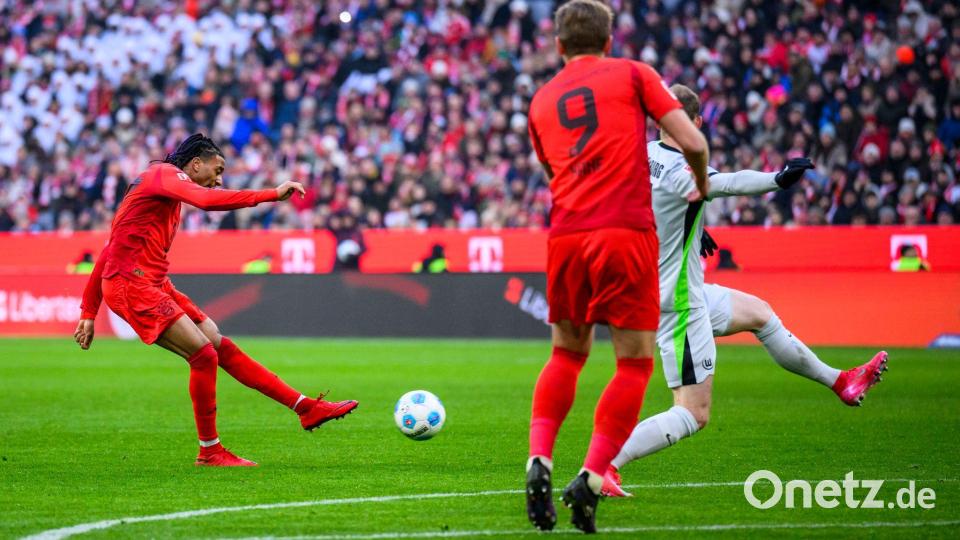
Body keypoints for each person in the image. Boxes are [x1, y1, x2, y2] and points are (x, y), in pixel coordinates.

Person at [602, 85, 888, 497]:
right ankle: (605, 465)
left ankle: (841, 381)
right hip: (677, 301)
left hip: (669, 286)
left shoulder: (639, 155)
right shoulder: (686, 170)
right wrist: (778, 178)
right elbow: (731, 183)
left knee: (760, 313)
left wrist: (689, 229)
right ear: (697, 124)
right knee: (693, 413)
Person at [524, 1, 709, 533]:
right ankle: (591, 474)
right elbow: (692, 140)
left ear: (559, 45)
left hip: (566, 236)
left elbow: (550, 169)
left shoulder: (541, 99)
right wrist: (699, 181)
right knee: (632, 365)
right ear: (608, 40)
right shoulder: (632, 73)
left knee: (565, 354)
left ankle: (538, 459)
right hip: (624, 232)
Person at [74, 134, 359, 467]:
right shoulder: (163, 174)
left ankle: (305, 408)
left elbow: (110, 249)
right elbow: (207, 202)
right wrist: (271, 194)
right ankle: (210, 451)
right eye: (217, 169)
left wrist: (89, 311)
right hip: (131, 284)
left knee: (217, 343)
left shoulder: (160, 192)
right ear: (195, 163)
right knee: (203, 355)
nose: (219, 179)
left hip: (151, 282)